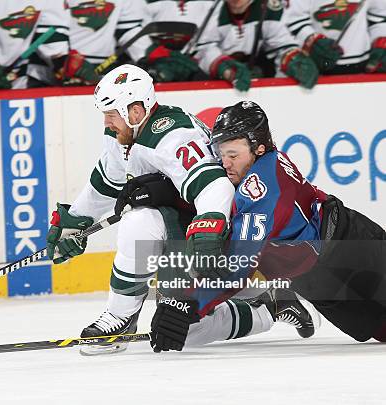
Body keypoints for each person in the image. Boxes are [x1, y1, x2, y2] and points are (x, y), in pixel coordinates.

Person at [46, 64, 318, 354]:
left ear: (135, 111)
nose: (107, 122)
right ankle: (120, 317)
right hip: (183, 228)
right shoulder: (122, 135)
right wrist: (76, 221)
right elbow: (106, 183)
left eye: (112, 114)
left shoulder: (172, 135)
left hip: (220, 237)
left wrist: (207, 233)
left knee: (184, 329)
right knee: (140, 225)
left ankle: (270, 307)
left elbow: (216, 188)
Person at [152, 100, 386, 353]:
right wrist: (169, 192)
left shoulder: (261, 188)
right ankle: (277, 299)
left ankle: (275, 299)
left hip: (349, 246)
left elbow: (237, 267)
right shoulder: (255, 163)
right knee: (380, 329)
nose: (225, 163)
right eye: (221, 154)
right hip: (312, 276)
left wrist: (189, 305)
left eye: (232, 155)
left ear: (259, 148)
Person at [195, 0, 319, 91]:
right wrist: (225, 69)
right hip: (212, 80)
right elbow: (202, 48)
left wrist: (293, 59)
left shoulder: (268, 8)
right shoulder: (210, 8)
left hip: (253, 73)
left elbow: (281, 42)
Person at [67, 0, 195, 82]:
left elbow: (126, 30)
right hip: (60, 70)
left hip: (104, 69)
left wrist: (150, 53)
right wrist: (61, 59)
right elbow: (51, 28)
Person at [284, 0, 386, 74]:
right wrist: (312, 41)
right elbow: (293, 21)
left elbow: (379, 19)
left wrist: (380, 40)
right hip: (318, 69)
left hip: (364, 67)